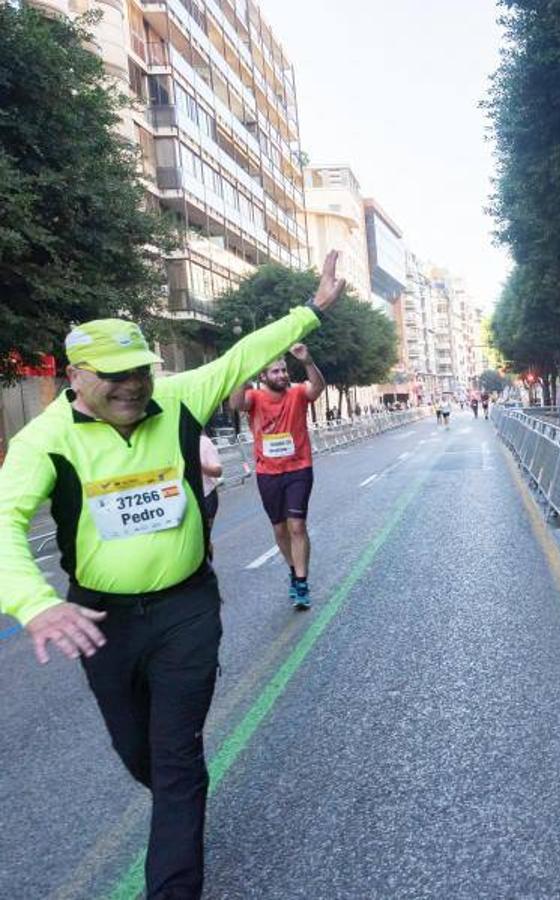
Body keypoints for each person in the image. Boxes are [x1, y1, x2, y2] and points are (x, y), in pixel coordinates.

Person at [0, 251, 346, 899]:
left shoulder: (179, 397)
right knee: (144, 757)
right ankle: (180, 805)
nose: (133, 385)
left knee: (177, 758)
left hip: (186, 610)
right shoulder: (43, 439)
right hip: (101, 620)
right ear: (75, 375)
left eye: (141, 371)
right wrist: (34, 603)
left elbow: (242, 355)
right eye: (114, 376)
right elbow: (4, 524)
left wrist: (313, 308)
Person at [230, 343, 325, 610]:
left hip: (298, 468)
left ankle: (302, 582)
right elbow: (236, 403)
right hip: (267, 472)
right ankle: (294, 570)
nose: (283, 375)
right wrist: (242, 376)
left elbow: (317, 388)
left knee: (297, 526)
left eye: (284, 370)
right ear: (263, 377)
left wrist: (307, 362)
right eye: (276, 372)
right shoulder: (255, 398)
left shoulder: (297, 393)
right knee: (280, 529)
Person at [198, 427, 223, 560]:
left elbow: (218, 471)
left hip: (207, 496)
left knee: (203, 537)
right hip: (188, 498)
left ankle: (207, 569)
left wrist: (198, 465)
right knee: (194, 539)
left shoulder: (205, 443)